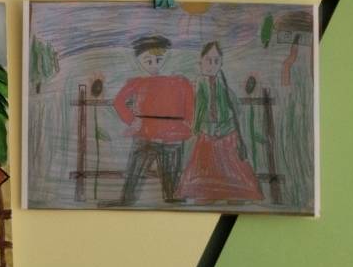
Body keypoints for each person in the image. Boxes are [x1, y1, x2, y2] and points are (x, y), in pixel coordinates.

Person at [177, 42, 263, 205]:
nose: (212, 65)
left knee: (231, 166)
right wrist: (196, 126)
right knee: (206, 166)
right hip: (206, 132)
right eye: (208, 60)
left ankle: (234, 193)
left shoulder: (223, 83)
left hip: (226, 132)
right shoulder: (197, 84)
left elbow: (236, 106)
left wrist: (225, 122)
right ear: (201, 62)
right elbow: (194, 108)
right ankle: (208, 194)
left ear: (221, 63)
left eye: (216, 61)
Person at [112, 34, 194, 205]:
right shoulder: (137, 82)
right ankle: (126, 199)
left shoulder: (180, 81)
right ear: (139, 61)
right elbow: (118, 102)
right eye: (148, 61)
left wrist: (188, 121)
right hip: (145, 136)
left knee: (172, 177)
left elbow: (190, 102)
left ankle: (172, 196)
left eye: (158, 60)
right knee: (135, 172)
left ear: (166, 57)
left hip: (172, 137)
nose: (154, 65)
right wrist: (132, 120)